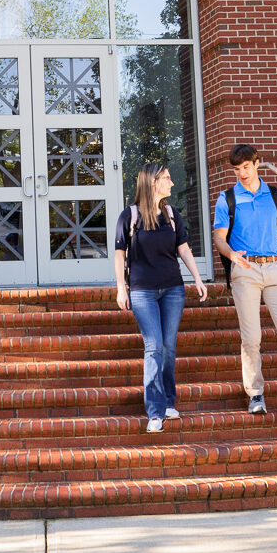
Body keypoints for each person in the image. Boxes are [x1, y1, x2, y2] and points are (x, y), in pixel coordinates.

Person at [211, 144, 277, 426]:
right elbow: (219, 237)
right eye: (236, 169)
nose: (242, 173)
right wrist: (231, 254)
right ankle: (255, 393)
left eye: (246, 167)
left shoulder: (276, 196)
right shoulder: (227, 198)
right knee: (251, 337)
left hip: (275, 269)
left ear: (258, 164)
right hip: (245, 270)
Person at [113, 163, 210, 434]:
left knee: (168, 347)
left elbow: (184, 249)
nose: (171, 183)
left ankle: (168, 401)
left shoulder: (171, 214)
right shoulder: (129, 216)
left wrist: (198, 278)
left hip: (172, 289)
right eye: (167, 178)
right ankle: (155, 411)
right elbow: (120, 254)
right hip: (142, 290)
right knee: (153, 346)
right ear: (153, 182)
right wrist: (121, 287)